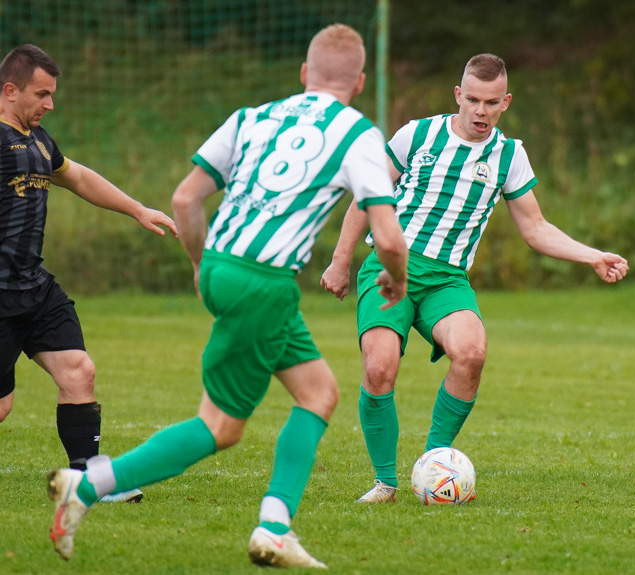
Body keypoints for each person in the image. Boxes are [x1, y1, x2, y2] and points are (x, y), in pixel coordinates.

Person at [46, 24, 407, 568]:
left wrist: (200, 263)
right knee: (220, 427)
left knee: (319, 393)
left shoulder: (252, 117)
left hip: (224, 266)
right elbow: (389, 236)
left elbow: (186, 198)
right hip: (264, 281)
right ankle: (89, 487)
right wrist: (395, 279)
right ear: (359, 81)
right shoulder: (358, 134)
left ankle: (275, 525)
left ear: (304, 74)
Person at [321, 53, 629, 504]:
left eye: (490, 102)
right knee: (379, 368)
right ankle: (385, 482)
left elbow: (536, 228)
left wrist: (594, 256)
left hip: (447, 280)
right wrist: (340, 259)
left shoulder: (510, 155)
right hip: (390, 270)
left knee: (472, 354)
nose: (480, 111)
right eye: (473, 100)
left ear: (505, 102)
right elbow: (368, 197)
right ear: (458, 96)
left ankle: (433, 468)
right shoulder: (417, 135)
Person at [0, 45, 177, 503]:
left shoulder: (39, 140)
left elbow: (77, 177)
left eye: (52, 94)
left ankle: (88, 482)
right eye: (42, 94)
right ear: (10, 90)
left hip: (33, 286)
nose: (50, 104)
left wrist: (137, 209)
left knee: (79, 371)